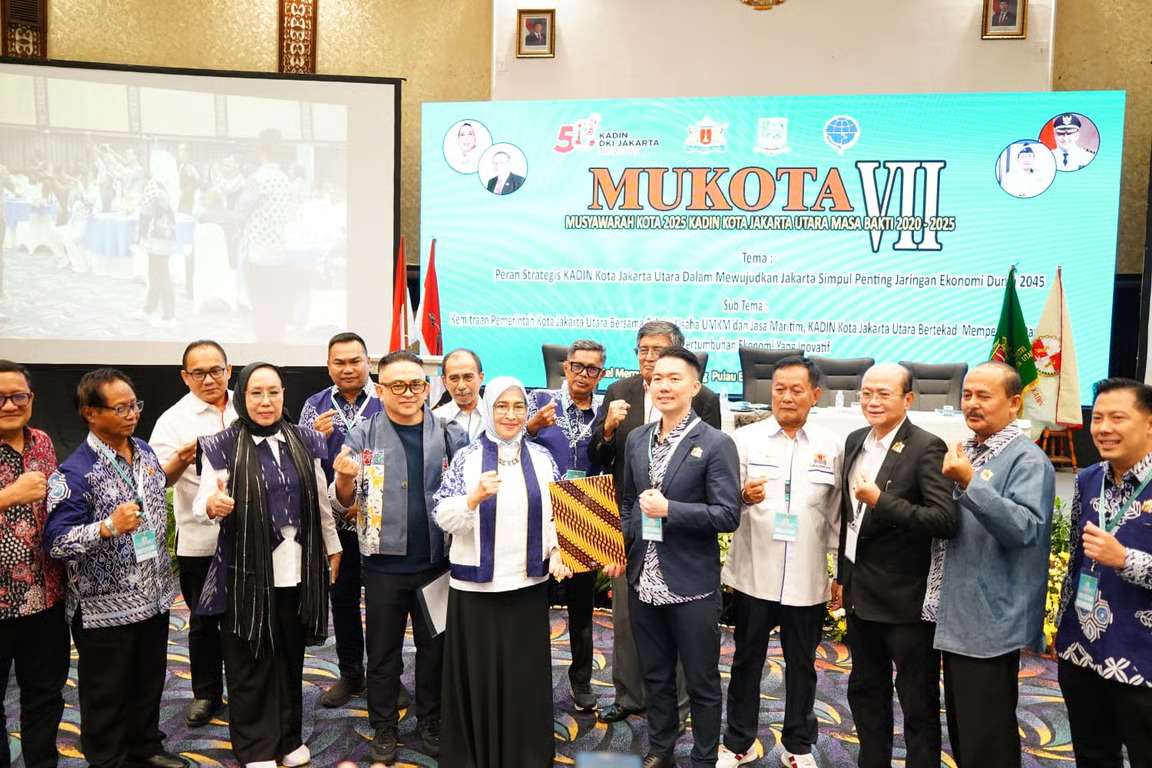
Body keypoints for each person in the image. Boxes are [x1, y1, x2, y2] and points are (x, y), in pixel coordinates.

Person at [194, 362, 343, 768]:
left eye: (273, 392)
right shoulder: (223, 444)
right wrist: (213, 504)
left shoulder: (306, 439)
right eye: (256, 393)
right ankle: (257, 747)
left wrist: (332, 547)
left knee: (289, 658)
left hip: (297, 569)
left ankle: (288, 738)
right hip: (246, 572)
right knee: (250, 660)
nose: (265, 401)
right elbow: (203, 500)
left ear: (283, 395)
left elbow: (321, 502)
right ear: (242, 396)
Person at [330, 350, 466, 764]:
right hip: (382, 566)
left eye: (416, 384)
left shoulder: (449, 433)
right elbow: (343, 503)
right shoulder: (362, 435)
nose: (408, 393)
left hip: (437, 564)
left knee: (435, 650)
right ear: (380, 389)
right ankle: (384, 724)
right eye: (397, 385)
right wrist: (344, 479)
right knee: (383, 652)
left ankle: (431, 720)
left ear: (427, 388)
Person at [44, 369, 182, 768]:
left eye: (134, 405)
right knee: (106, 691)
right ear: (89, 412)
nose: (132, 414)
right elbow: (56, 541)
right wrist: (107, 527)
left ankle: (146, 746)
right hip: (104, 609)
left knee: (149, 679)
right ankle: (107, 759)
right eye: (120, 408)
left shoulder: (145, 451)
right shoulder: (75, 472)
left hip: (154, 596)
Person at [609, 346, 740, 768]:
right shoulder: (638, 438)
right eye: (657, 378)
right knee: (656, 674)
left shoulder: (716, 443)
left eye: (674, 378)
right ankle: (661, 749)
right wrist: (622, 547)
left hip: (691, 584)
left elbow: (728, 515)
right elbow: (628, 502)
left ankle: (704, 757)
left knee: (701, 681)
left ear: (695, 386)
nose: (663, 386)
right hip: (643, 579)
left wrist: (671, 511)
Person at [433, 376, 571, 768]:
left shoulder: (543, 459)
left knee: (523, 677)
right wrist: (472, 499)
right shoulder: (467, 457)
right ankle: (475, 754)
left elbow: (556, 516)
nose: (511, 415)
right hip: (476, 591)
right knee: (478, 676)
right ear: (488, 409)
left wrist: (557, 549)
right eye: (501, 406)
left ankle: (525, 755)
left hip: (527, 585)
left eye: (518, 407)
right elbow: (442, 515)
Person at [589, 320, 720, 725]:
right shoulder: (619, 391)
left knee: (678, 622)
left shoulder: (705, 398)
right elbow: (597, 455)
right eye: (642, 349)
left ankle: (678, 706)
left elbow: (710, 465)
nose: (649, 357)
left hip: (679, 527)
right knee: (627, 619)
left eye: (657, 350)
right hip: (630, 522)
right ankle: (628, 696)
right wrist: (608, 428)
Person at [926, 361, 1054, 768]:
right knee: (966, 731)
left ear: (1015, 404)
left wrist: (969, 482)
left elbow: (1026, 529)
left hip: (990, 621)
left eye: (984, 396)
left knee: (987, 738)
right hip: (959, 615)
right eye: (967, 395)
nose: (972, 404)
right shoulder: (968, 450)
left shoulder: (1027, 460)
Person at [718, 356, 842, 768]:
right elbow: (722, 504)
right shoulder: (744, 439)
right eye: (779, 389)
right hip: (754, 574)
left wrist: (841, 572)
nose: (786, 397)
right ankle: (739, 742)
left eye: (796, 390)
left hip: (806, 578)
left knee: (803, 666)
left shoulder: (832, 445)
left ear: (815, 395)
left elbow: (838, 516)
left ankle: (798, 745)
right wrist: (742, 497)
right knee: (745, 661)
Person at [832, 364, 957, 768]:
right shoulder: (855, 440)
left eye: (884, 394)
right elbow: (849, 519)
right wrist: (842, 576)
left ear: (908, 399)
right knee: (865, 694)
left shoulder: (926, 447)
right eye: (867, 393)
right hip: (861, 595)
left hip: (906, 601)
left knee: (917, 702)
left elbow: (944, 519)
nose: (872, 401)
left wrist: (881, 502)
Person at [1055, 378, 1152, 765]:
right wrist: (1063, 632)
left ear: (1149, 423)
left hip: (1143, 658)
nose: (1104, 428)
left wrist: (1125, 559)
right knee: (1093, 754)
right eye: (1097, 418)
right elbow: (1077, 561)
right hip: (1083, 651)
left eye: (1118, 418)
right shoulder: (1088, 479)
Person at [149, 339, 237, 727]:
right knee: (203, 621)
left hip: (252, 539)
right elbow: (156, 481)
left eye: (215, 370)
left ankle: (245, 687)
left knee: (247, 618)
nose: (209, 379)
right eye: (198, 372)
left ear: (228, 370)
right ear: (185, 377)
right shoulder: (173, 420)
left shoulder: (248, 405)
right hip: (200, 540)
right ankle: (206, 693)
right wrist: (178, 460)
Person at [299, 332, 383, 709]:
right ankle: (350, 673)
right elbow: (301, 462)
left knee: (384, 604)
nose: (348, 368)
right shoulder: (314, 405)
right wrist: (312, 439)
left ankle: (384, 675)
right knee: (343, 601)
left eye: (355, 361)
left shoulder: (387, 397)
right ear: (328, 366)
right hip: (335, 525)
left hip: (381, 521)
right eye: (340, 362)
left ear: (368, 362)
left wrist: (366, 504)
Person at [525, 339, 608, 713]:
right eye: (578, 366)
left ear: (601, 374)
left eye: (592, 369)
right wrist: (531, 427)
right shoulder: (539, 401)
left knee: (581, 607)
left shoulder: (605, 412)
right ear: (565, 367)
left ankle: (581, 680)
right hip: (539, 512)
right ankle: (532, 679)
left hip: (582, 515)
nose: (583, 374)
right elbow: (509, 442)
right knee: (534, 602)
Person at [0, 360, 68, 768]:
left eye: (18, 396)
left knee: (45, 695)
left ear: (31, 398)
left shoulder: (41, 441)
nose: (10, 405)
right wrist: (9, 495)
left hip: (45, 597)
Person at [431, 348, 486, 442]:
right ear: (444, 381)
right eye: (454, 378)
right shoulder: (435, 419)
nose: (461, 386)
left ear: (481, 378)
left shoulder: (496, 416)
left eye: (468, 377)